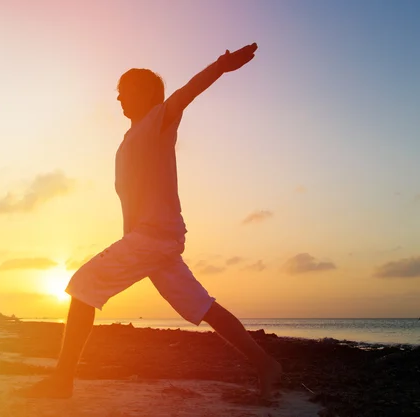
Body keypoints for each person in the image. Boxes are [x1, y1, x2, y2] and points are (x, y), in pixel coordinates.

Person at [24, 42, 282, 400]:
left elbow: (185, 93)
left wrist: (220, 66)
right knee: (202, 306)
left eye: (123, 92)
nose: (117, 99)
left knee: (81, 286)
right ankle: (265, 363)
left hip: (154, 237)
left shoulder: (158, 120)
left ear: (145, 94)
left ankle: (62, 380)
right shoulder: (133, 136)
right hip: (156, 239)